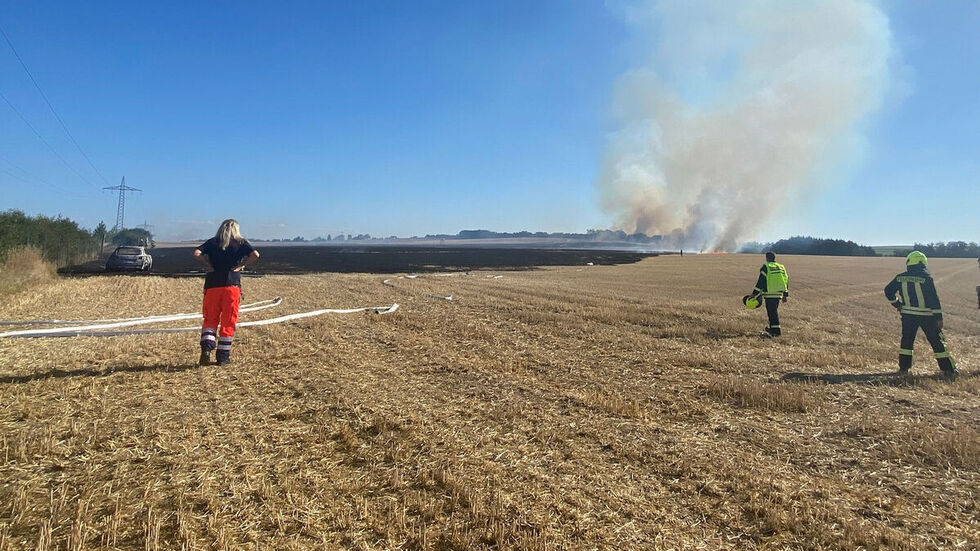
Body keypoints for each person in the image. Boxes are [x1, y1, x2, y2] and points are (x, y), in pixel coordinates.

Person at [193, 219, 260, 366]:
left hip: (212, 285)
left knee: (210, 319)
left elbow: (197, 253)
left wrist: (207, 263)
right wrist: (241, 265)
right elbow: (255, 254)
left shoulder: (212, 242)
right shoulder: (241, 242)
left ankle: (206, 348)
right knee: (228, 321)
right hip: (232, 285)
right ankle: (223, 357)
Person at [884, 251, 956, 378]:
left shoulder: (900, 277)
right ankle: (948, 369)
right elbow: (934, 299)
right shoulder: (926, 279)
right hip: (927, 316)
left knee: (907, 342)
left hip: (908, 316)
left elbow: (888, 290)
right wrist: (939, 317)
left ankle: (904, 368)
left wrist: (897, 304)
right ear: (923, 263)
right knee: (937, 342)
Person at [747, 251, 789, 337]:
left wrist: (754, 294)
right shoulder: (781, 267)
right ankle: (773, 329)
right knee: (773, 312)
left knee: (772, 313)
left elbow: (761, 281)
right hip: (779, 294)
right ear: (774, 258)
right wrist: (785, 295)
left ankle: (776, 332)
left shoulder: (766, 267)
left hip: (770, 294)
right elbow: (786, 280)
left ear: (767, 258)